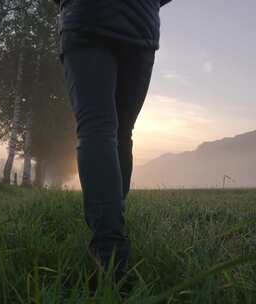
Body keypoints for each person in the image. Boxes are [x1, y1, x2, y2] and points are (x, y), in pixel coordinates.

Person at [53, 0, 172, 282]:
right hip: (139, 25)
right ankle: (114, 225)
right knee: (120, 132)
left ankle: (109, 252)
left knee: (96, 128)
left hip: (86, 16)